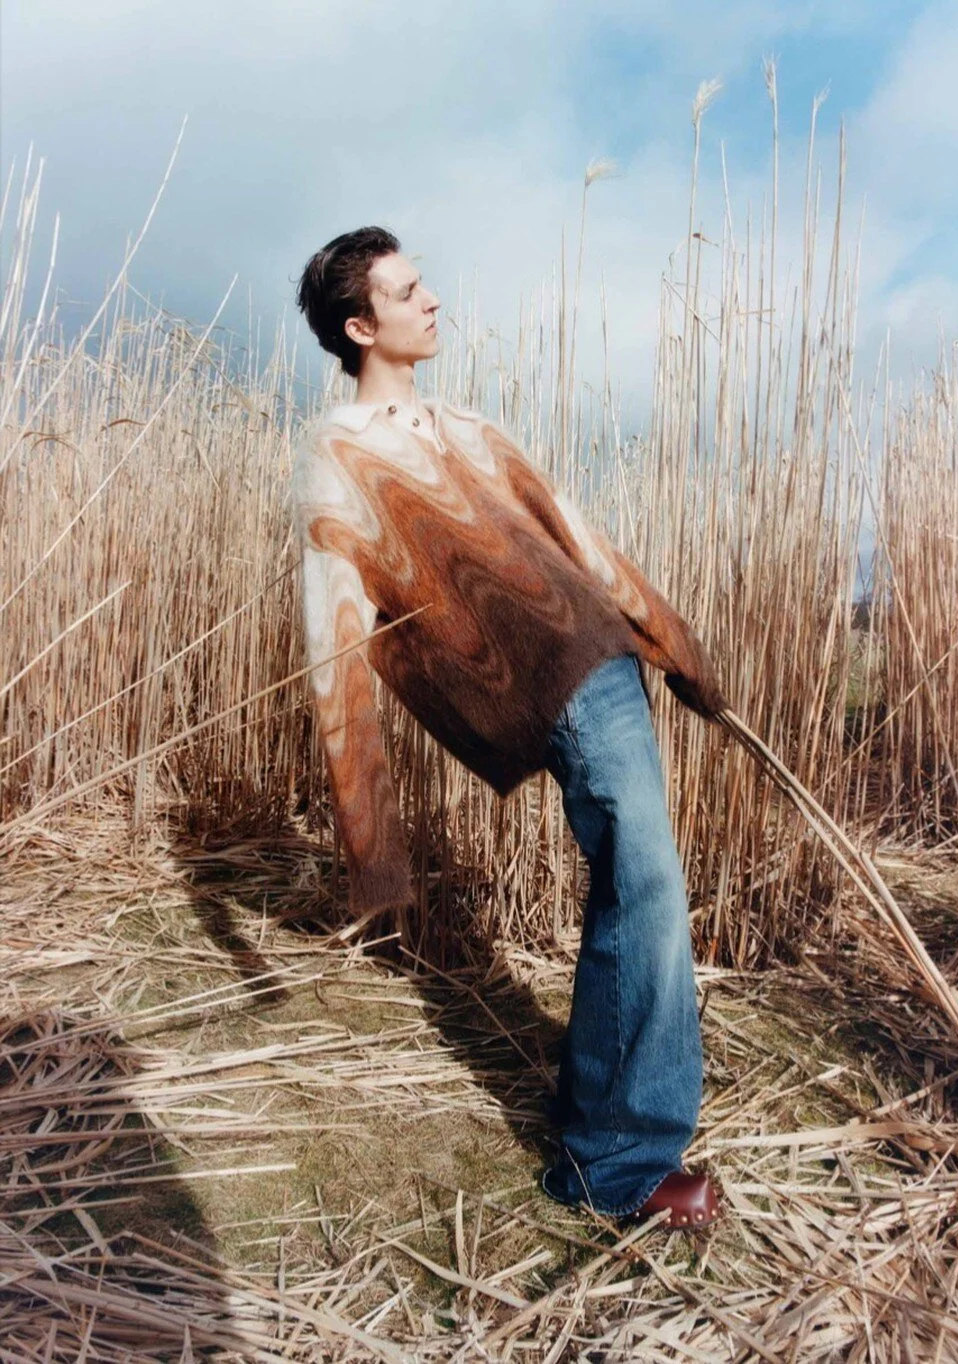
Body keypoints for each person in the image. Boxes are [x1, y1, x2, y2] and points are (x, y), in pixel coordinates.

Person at [292, 226, 722, 1231]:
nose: (432, 299)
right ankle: (614, 1163)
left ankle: (615, 1112)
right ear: (361, 326)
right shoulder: (339, 455)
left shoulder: (475, 427)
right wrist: (375, 845)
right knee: (646, 874)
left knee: (641, 875)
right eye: (407, 291)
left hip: (609, 667)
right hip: (547, 694)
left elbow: (583, 543)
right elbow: (335, 638)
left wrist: (679, 647)